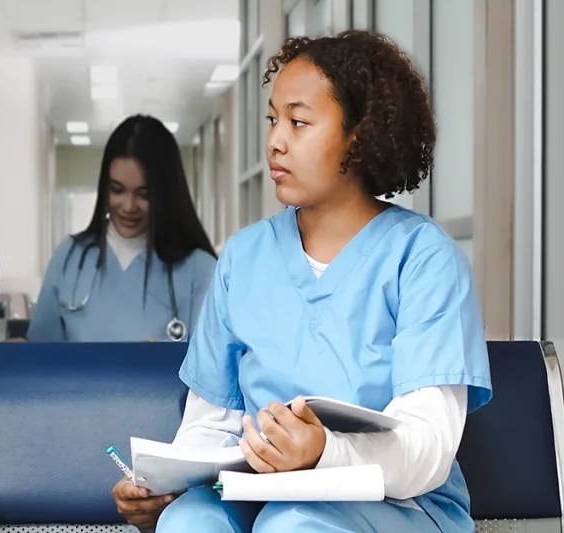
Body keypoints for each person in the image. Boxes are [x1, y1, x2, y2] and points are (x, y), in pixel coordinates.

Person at [112, 30, 491, 532]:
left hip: (395, 503)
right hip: (254, 490)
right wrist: (165, 483)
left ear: (361, 134)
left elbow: (427, 448)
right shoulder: (244, 257)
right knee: (189, 523)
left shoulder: (423, 258)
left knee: (294, 525)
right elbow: (212, 422)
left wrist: (324, 451)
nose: (274, 140)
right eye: (272, 119)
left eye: (298, 121)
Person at [26, 115, 217, 343]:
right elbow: (39, 360)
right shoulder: (69, 258)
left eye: (144, 194)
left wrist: (167, 361)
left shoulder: (199, 269)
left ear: (166, 193)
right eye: (117, 190)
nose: (128, 206)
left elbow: (215, 366)